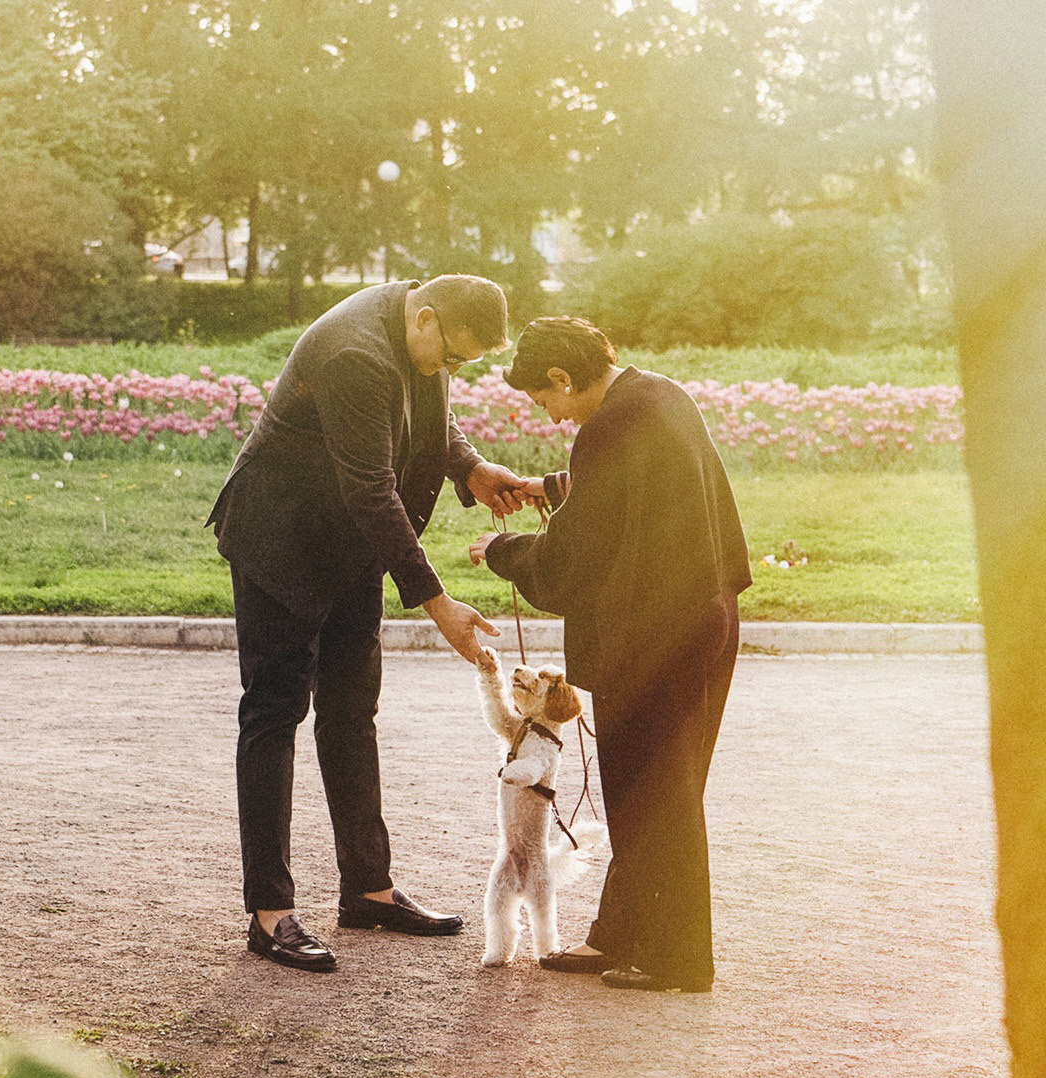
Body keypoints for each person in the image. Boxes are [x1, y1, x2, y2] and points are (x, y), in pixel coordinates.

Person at [209, 274, 533, 973]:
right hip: (283, 543)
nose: (451, 369)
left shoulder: (417, 330)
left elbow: (427, 410)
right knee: (275, 711)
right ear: (425, 318)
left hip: (348, 542)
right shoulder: (356, 352)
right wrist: (437, 602)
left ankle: (368, 889)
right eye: (452, 355)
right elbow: (370, 485)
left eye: (464, 363)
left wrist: (470, 468)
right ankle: (270, 914)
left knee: (353, 712)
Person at [470, 317, 751, 993]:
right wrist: (551, 489)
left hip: (658, 636)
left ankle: (677, 960)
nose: (554, 416)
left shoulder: (609, 426)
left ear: (563, 378)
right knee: (652, 792)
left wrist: (501, 553)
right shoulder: (657, 396)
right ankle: (624, 936)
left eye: (547, 401)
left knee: (657, 798)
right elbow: (632, 499)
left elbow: (576, 556)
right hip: (704, 618)